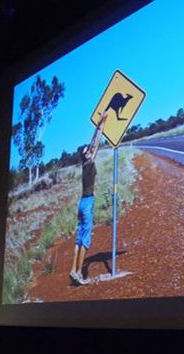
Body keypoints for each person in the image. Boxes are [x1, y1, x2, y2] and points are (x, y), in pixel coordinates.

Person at [70, 112, 108, 285]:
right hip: (87, 203)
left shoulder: (84, 164)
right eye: (88, 150)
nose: (91, 149)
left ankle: (73, 270)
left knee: (79, 238)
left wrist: (100, 123)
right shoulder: (90, 162)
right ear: (86, 154)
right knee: (85, 240)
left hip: (81, 203)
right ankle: (78, 273)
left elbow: (93, 143)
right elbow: (96, 142)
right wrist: (102, 123)